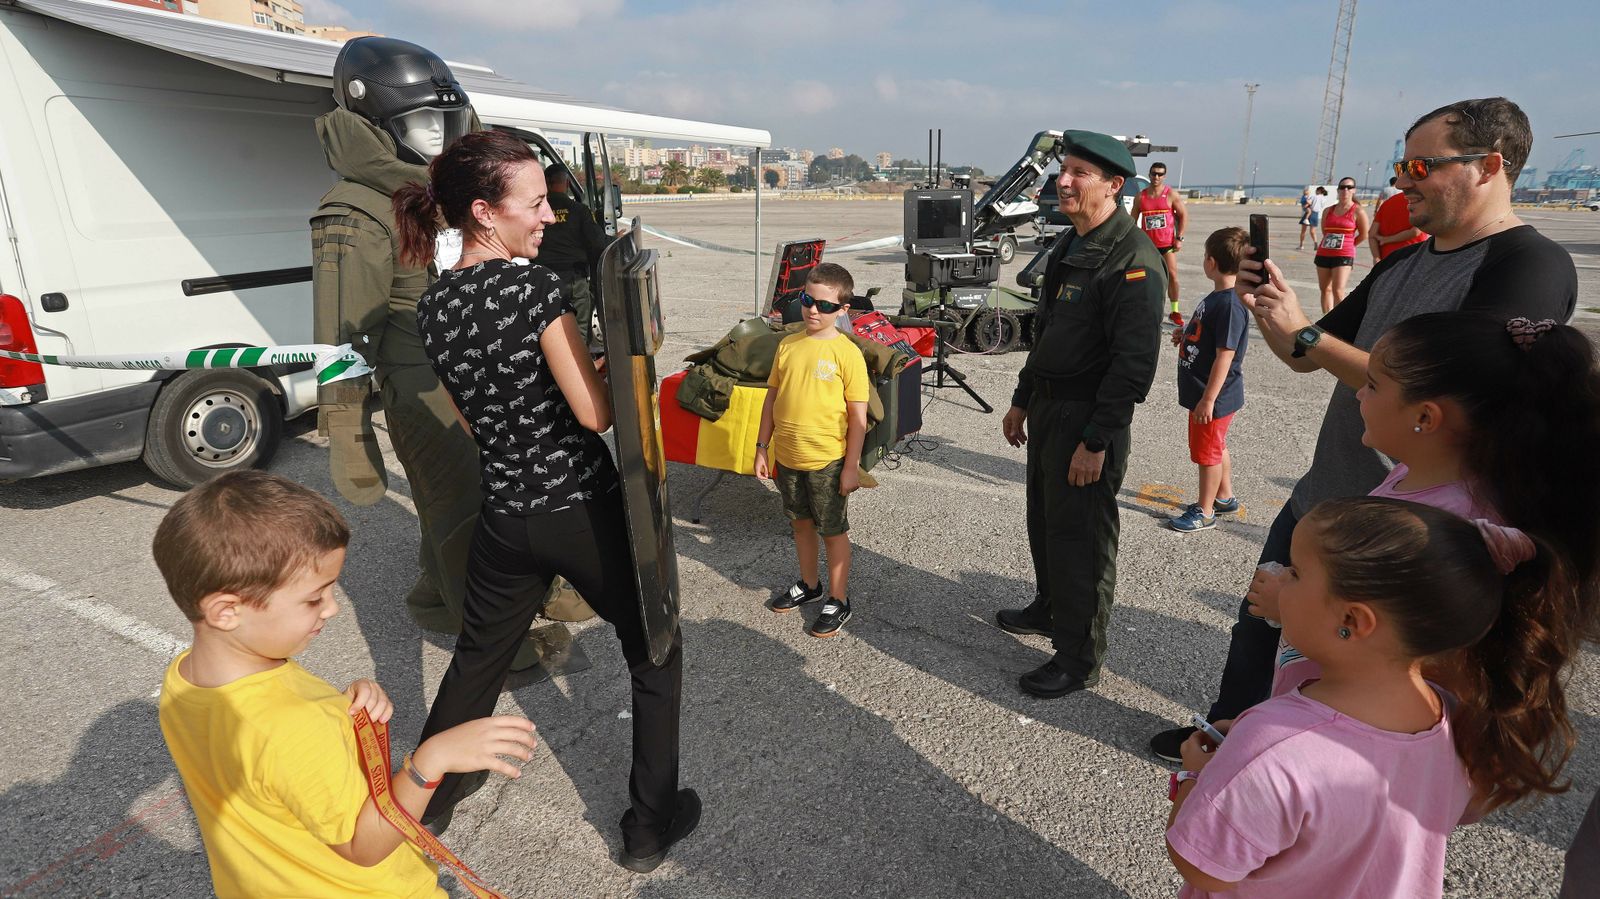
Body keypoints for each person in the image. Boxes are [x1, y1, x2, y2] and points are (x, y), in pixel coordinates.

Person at [1149, 96, 1578, 762]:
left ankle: (1293, 780)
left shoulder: (1529, 265)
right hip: (1324, 494)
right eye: (1398, 164)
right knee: (1261, 625)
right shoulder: (1404, 261)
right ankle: (1224, 740)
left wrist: (1309, 332)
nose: (1402, 180)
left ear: (1491, 165)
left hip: (1409, 526)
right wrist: (1274, 311)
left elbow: (1447, 399)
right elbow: (1303, 357)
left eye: (1420, 164)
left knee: (1349, 666)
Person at [392, 130, 696, 871]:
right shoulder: (531, 289)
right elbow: (595, 413)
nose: (549, 216)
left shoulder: (432, 307)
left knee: (477, 662)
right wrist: (619, 360)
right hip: (576, 506)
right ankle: (648, 825)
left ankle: (424, 804)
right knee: (655, 649)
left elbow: (472, 421)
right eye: (536, 203)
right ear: (485, 212)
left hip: (505, 514)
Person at [1165, 497, 1583, 898]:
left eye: (1295, 572)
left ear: (1352, 619)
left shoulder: (1271, 742)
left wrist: (1197, 775)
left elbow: (1202, 866)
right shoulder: (1449, 717)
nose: (1279, 578)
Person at [154, 470, 537, 899]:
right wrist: (432, 758)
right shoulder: (295, 727)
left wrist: (338, 707)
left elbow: (272, 762)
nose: (332, 609)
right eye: (314, 598)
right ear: (227, 611)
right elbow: (364, 846)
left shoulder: (186, 677)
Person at [1252, 313, 1600, 697]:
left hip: (1354, 727)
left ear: (1425, 416)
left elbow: (1414, 658)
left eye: (1373, 384)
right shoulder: (1413, 475)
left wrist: (1290, 605)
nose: (1359, 394)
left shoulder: (1445, 526)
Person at [994, 130, 1166, 698]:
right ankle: (1049, 609)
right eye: (1062, 170)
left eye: (1079, 174)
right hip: (1048, 407)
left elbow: (1133, 365)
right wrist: (1022, 397)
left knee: (1082, 540)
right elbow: (1048, 332)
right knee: (1045, 523)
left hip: (1087, 418)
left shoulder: (1132, 258)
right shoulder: (1072, 243)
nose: (1062, 181)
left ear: (1115, 185)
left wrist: (1096, 441)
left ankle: (1078, 657)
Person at [753, 262, 871, 637]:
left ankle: (839, 598)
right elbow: (771, 399)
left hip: (828, 462)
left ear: (843, 310)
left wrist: (851, 467)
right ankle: (809, 584)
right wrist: (761, 448)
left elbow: (858, 418)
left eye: (824, 305)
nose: (813, 310)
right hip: (787, 457)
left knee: (832, 531)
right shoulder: (787, 344)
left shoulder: (846, 353)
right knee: (799, 524)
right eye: (807, 300)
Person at [1167, 227, 1249, 533]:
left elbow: (1225, 356)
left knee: (1208, 453)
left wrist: (1208, 400)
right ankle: (1224, 497)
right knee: (1217, 446)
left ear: (1211, 263)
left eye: (1204, 256)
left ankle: (1205, 510)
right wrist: (1186, 333)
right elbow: (1209, 333)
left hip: (1213, 395)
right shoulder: (1219, 298)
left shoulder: (1230, 304)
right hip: (1207, 393)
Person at [537, 164, 611, 345]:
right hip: (574, 281)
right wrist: (616, 239)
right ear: (568, 183)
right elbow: (598, 243)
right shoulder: (579, 210)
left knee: (548, 331)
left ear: (545, 183)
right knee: (579, 333)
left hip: (543, 281)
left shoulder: (536, 211)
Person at [1131, 161, 1188, 327]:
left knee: (1172, 276)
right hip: (1148, 246)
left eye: (1160, 174)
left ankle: (1175, 311)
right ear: (1149, 174)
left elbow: (1184, 215)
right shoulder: (1140, 196)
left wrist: (1180, 238)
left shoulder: (1171, 194)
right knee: (1145, 278)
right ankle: (1145, 309)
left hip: (1167, 245)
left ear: (1164, 176)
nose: (1156, 177)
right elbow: (1132, 220)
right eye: (1154, 173)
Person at [1312, 177, 1369, 312]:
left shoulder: (1358, 211)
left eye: (1349, 187)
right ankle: (1326, 321)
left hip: (1344, 255)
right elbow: (1325, 231)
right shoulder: (1328, 210)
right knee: (1325, 289)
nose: (1345, 190)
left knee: (1338, 290)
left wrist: (1350, 245)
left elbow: (1364, 234)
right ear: (1338, 190)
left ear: (1354, 190)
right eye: (1342, 187)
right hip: (1324, 253)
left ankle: (1338, 324)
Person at [1368, 178, 1428, 263]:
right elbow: (1415, 232)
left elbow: (1372, 235)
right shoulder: (1420, 204)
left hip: (1387, 259)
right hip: (1413, 258)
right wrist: (1387, 239)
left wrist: (1376, 258)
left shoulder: (1386, 204)